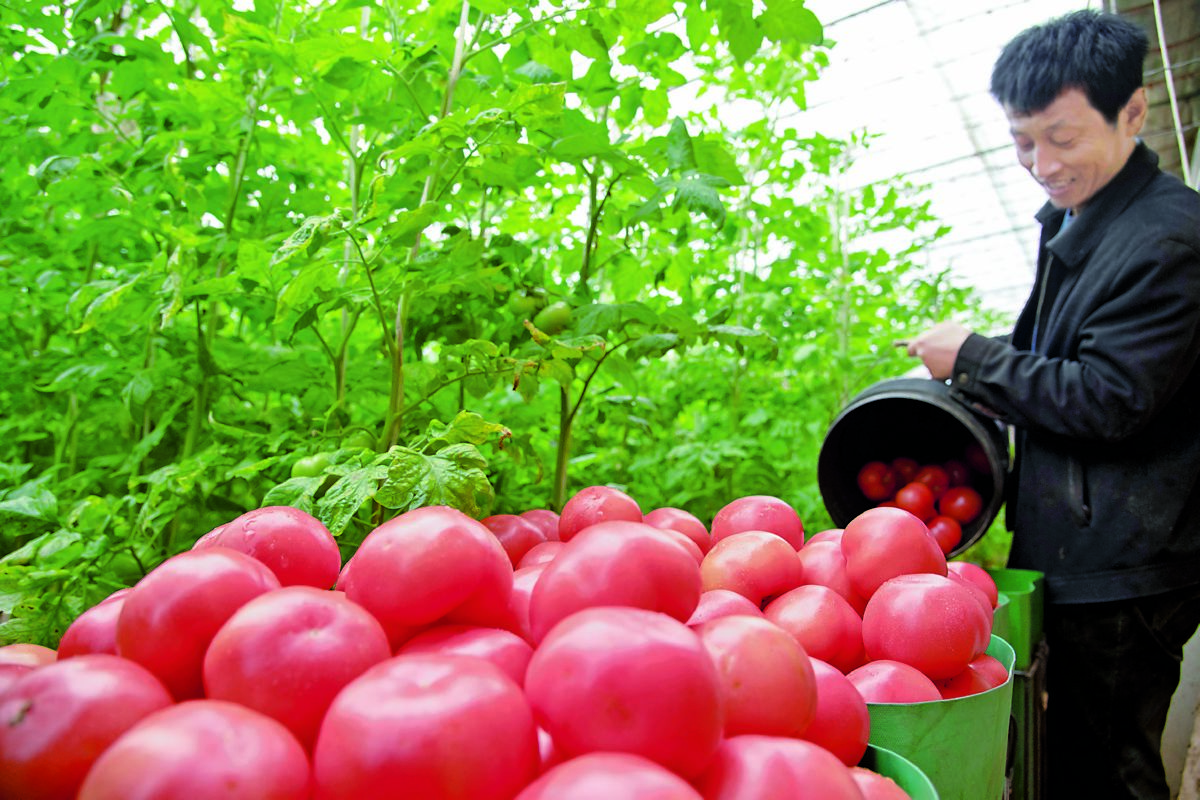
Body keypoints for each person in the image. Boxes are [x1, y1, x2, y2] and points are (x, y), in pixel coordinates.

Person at [903, 10, 1200, 799]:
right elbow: (1070, 355)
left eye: (1061, 138)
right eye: (1021, 140)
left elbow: (1109, 397)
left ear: (1133, 113)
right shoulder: (1088, 217)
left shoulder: (1169, 241)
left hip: (1125, 564)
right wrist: (978, 379)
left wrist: (974, 358)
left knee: (1109, 768)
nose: (1039, 163)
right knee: (1075, 750)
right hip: (1088, 545)